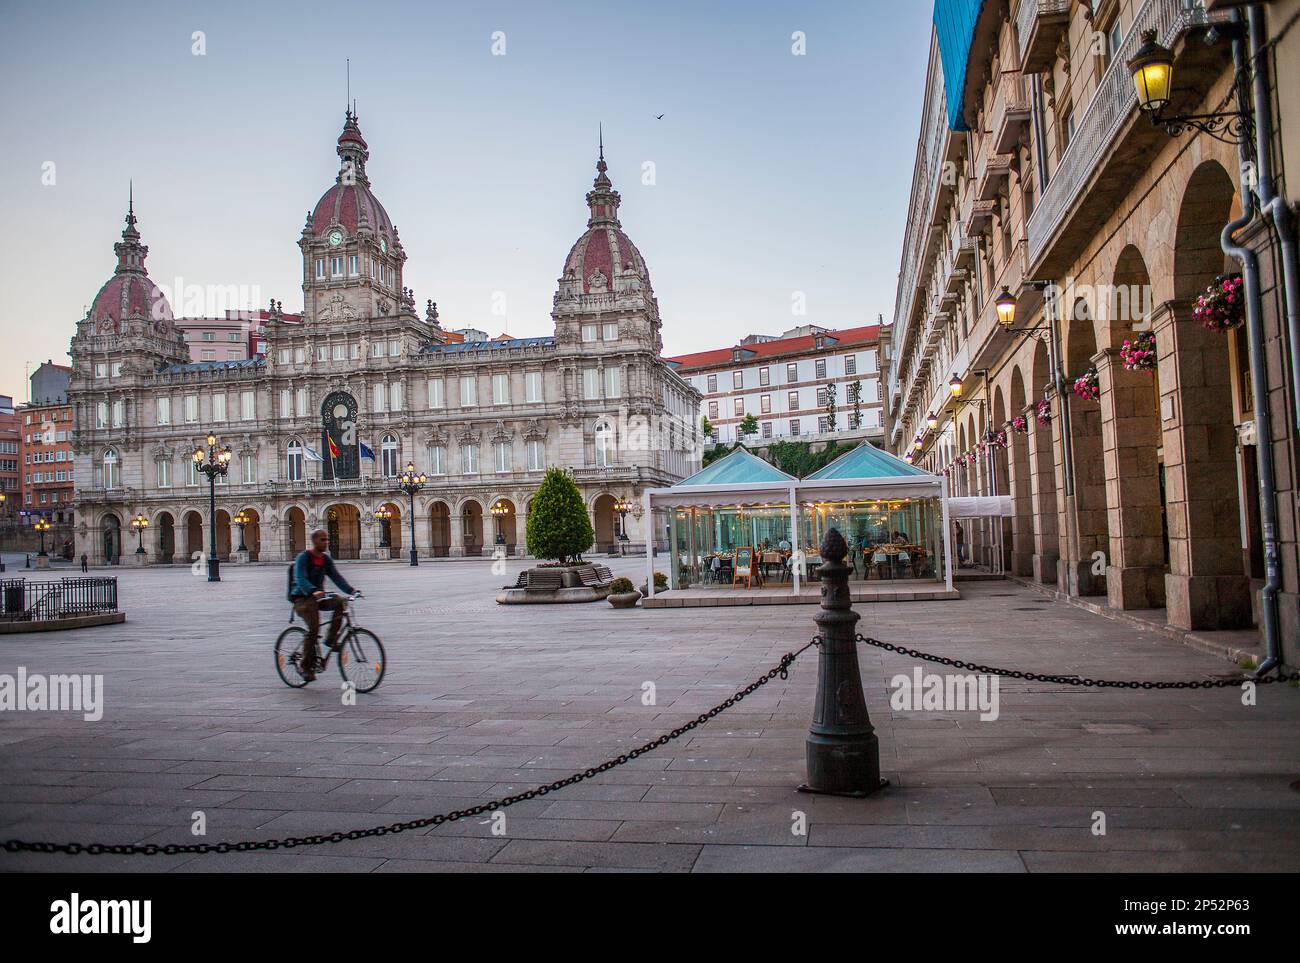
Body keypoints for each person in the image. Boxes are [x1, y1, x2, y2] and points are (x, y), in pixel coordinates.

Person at [289, 529, 359, 681]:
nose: (326, 542)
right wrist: (312, 590)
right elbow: (300, 578)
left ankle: (330, 639)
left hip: (318, 597)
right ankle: (306, 667)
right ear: (314, 541)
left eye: (327, 539)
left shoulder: (325, 559)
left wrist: (351, 590)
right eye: (323, 540)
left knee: (340, 602)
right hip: (302, 598)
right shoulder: (304, 557)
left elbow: (336, 577)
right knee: (313, 629)